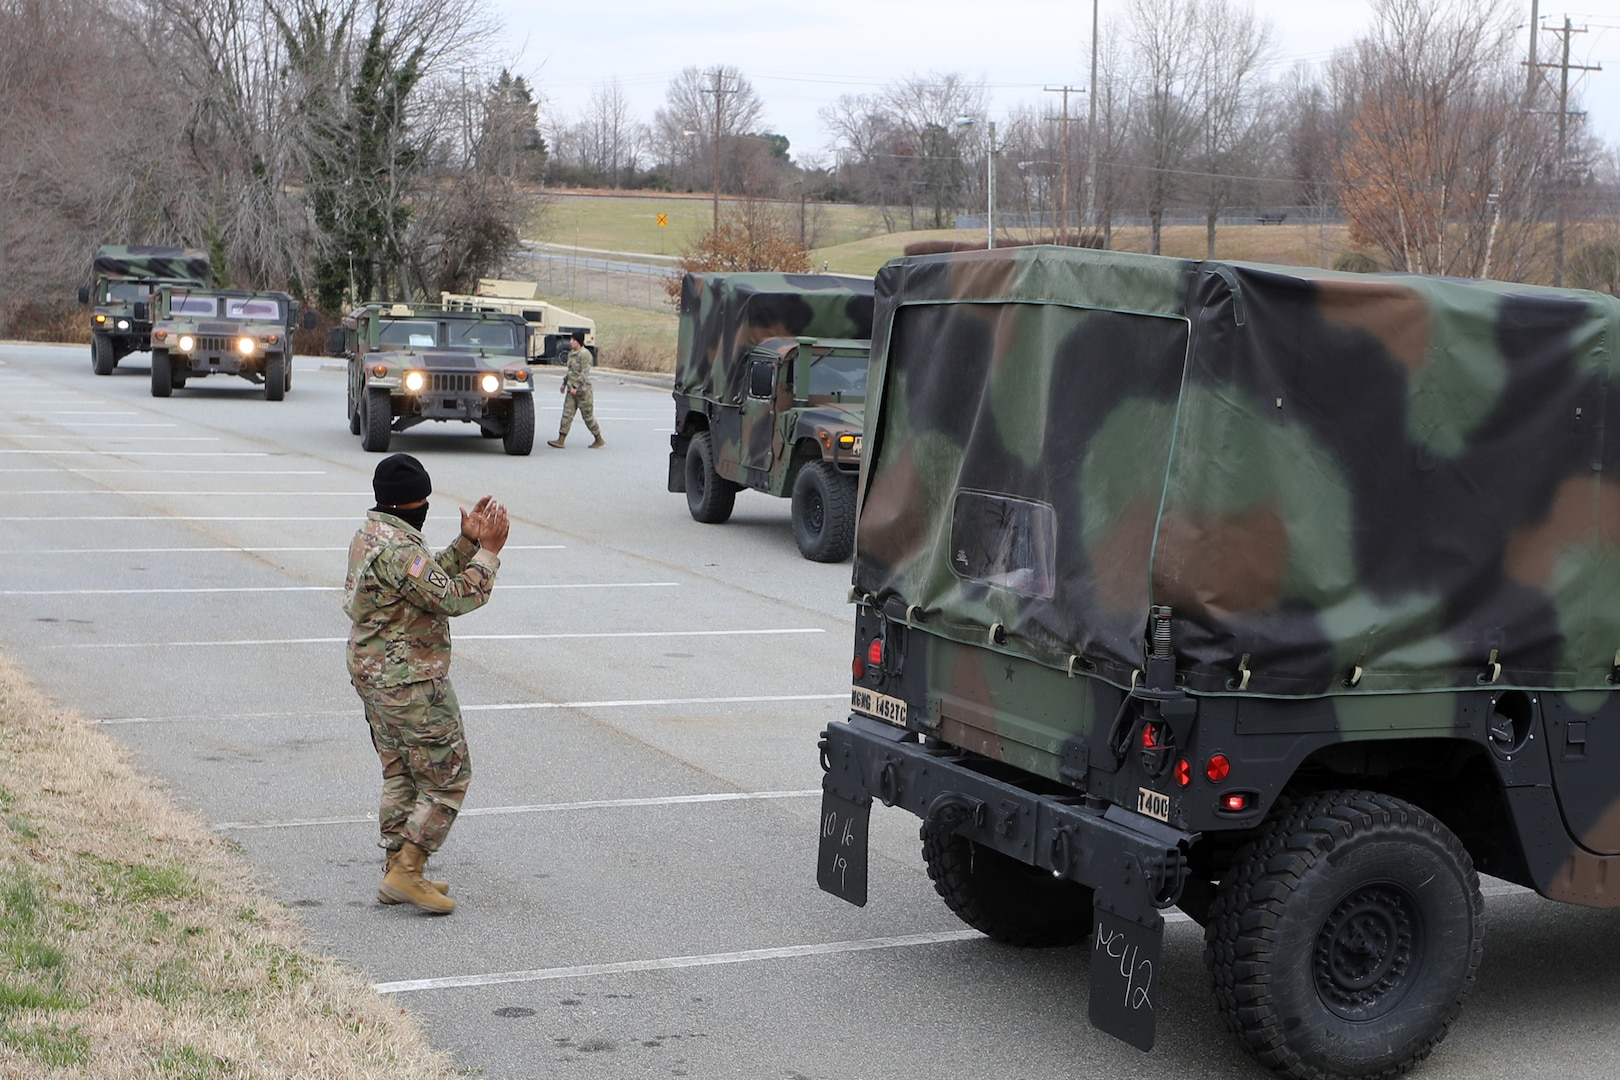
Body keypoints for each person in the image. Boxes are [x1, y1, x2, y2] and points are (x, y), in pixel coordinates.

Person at [343, 453, 509, 914]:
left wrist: (465, 544)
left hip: (376, 676)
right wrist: (491, 552)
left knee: (403, 771)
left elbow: (423, 580)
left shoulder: (374, 534)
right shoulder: (399, 549)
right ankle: (408, 869)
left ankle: (398, 865)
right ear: (412, 505)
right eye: (424, 501)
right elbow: (452, 597)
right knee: (448, 776)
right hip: (408, 680)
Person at [548, 330, 604, 448]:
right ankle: (561, 439)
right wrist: (564, 384)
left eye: (573, 340)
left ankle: (598, 438)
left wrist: (575, 387)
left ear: (579, 341)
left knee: (588, 417)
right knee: (567, 415)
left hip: (583, 392)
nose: (571, 342)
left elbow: (584, 373)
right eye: (571, 339)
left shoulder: (585, 354)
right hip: (571, 390)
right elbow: (571, 372)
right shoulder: (571, 353)